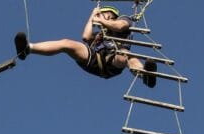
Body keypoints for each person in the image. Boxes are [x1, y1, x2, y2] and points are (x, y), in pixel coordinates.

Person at [14, 6, 157, 87]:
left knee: (124, 55)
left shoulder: (123, 20)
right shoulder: (101, 34)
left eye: (104, 15)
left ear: (111, 15)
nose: (101, 18)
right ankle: (28, 48)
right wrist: (92, 16)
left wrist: (100, 19)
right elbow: (86, 37)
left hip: (112, 61)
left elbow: (119, 27)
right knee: (66, 43)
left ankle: (144, 74)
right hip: (95, 59)